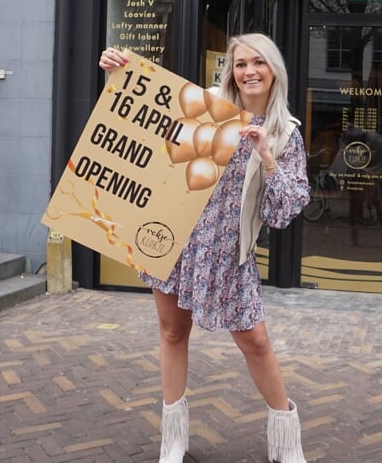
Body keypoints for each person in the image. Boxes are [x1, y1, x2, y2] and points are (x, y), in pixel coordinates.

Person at [98, 34, 311, 463]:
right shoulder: (204, 105)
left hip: (230, 250)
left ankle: (287, 444)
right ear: (230, 70)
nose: (249, 71)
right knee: (173, 332)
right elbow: (144, 128)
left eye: (258, 63)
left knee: (256, 341)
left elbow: (285, 210)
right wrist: (118, 79)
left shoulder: (286, 133)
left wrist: (267, 156)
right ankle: (173, 440)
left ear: (274, 70)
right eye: (240, 64)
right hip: (176, 238)